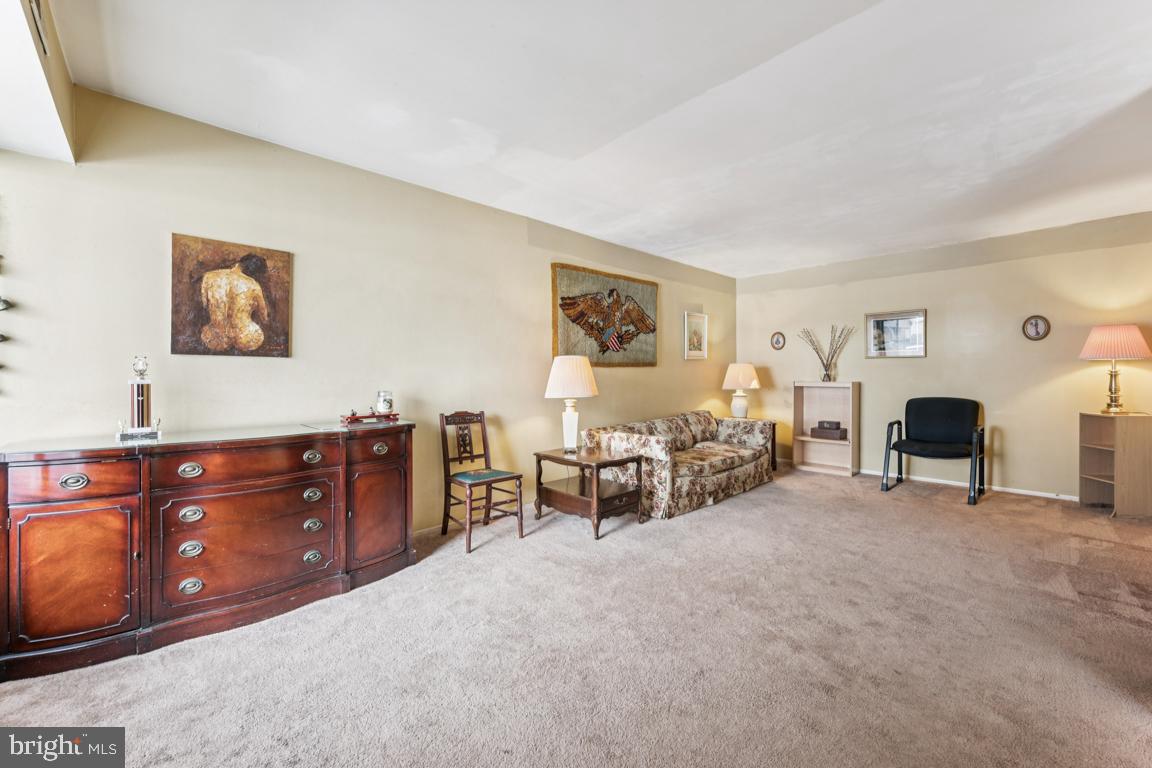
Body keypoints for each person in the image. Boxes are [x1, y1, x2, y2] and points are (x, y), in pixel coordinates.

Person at [199, 253, 270, 352]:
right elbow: (264, 317)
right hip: (246, 339)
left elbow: (204, 305)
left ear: (238, 263)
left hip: (215, 338)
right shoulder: (254, 285)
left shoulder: (208, 276)